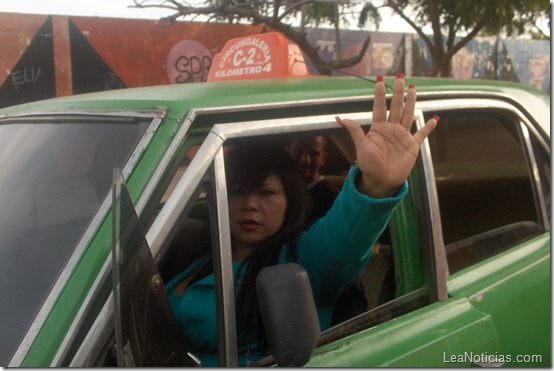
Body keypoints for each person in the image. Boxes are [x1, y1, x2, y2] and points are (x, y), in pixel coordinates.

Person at [165, 74, 438, 366]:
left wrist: (375, 186)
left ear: (290, 200)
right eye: (235, 192)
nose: (249, 205)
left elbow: (344, 239)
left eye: (266, 193)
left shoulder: (303, 259)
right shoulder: (202, 249)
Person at [288, 135, 339, 225]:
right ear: (288, 153)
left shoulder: (330, 197)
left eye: (313, 154)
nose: (306, 160)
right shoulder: (282, 189)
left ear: (324, 158)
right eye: (299, 152)